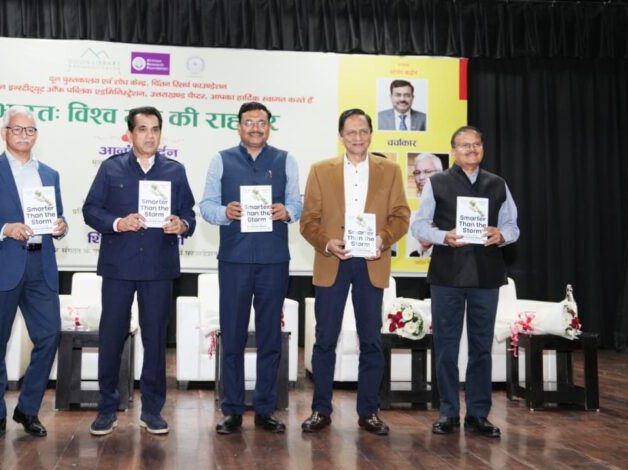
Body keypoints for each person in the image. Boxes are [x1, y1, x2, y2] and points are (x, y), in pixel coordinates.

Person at [0, 105, 68, 440]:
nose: (24, 135)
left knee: (50, 335)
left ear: (36, 135)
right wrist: (4, 228)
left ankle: (27, 408)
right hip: (1, 265)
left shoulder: (49, 174)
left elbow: (58, 216)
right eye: (17, 129)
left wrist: (61, 226)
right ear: (4, 132)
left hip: (40, 266)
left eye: (30, 130)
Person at [83, 106, 196, 436]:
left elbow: (188, 213)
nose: (150, 135)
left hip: (159, 268)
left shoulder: (175, 171)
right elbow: (90, 210)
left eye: (155, 129)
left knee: (156, 340)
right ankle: (107, 409)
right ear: (130, 133)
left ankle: (152, 410)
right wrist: (118, 222)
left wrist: (182, 224)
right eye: (143, 129)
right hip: (119, 267)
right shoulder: (111, 168)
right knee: (112, 337)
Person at [299, 108, 410, 435]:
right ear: (341, 136)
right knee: (324, 340)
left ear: (371, 134)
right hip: (333, 260)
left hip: (371, 262)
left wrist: (382, 238)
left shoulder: (390, 170)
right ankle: (320, 410)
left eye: (363, 132)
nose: (358, 138)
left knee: (371, 340)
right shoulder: (321, 170)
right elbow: (308, 221)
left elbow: (401, 216)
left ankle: (369, 411)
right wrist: (326, 243)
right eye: (351, 132)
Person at [200, 102, 302, 435]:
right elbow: (206, 205)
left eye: (261, 122)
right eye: (249, 122)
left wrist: (287, 211)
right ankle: (231, 409)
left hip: (274, 260)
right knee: (232, 336)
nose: (255, 127)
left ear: (269, 126)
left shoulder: (286, 159)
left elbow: (298, 203)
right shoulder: (221, 159)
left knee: (270, 338)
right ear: (238, 126)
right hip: (234, 260)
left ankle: (265, 409)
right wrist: (224, 212)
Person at [411, 126, 519, 438]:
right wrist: (442, 236)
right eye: (464, 145)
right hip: (447, 275)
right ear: (453, 151)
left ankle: (478, 414)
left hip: (487, 275)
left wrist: (501, 235)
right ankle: (448, 412)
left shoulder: (498, 184)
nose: (471, 150)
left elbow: (513, 227)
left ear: (482, 148)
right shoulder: (437, 182)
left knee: (481, 347)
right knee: (446, 347)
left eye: (476, 144)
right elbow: (419, 225)